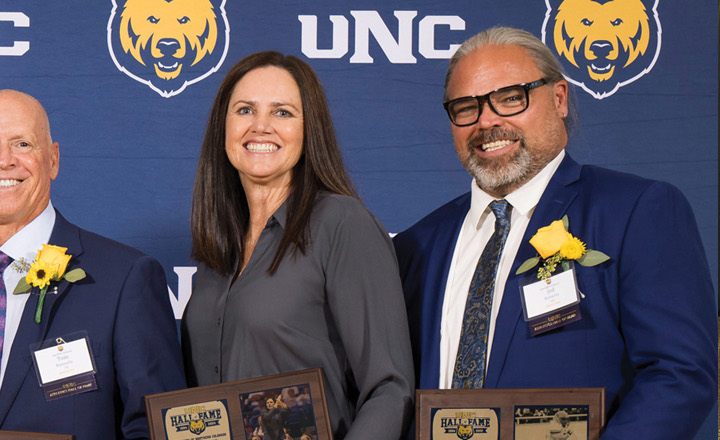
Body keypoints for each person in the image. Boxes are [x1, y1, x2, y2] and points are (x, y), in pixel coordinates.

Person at [394, 27, 717, 440]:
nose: (487, 120)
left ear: (559, 98)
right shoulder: (416, 246)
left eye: (511, 97)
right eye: (465, 106)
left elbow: (681, 375)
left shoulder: (637, 210)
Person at [0, 90, 185, 439]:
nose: (4, 160)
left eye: (23, 144)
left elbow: (157, 430)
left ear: (53, 159)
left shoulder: (125, 278)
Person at [179, 51, 414, 439]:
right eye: (245, 110)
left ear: (310, 129)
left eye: (282, 113)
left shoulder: (342, 224)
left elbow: (390, 389)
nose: (261, 127)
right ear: (223, 126)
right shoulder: (217, 248)